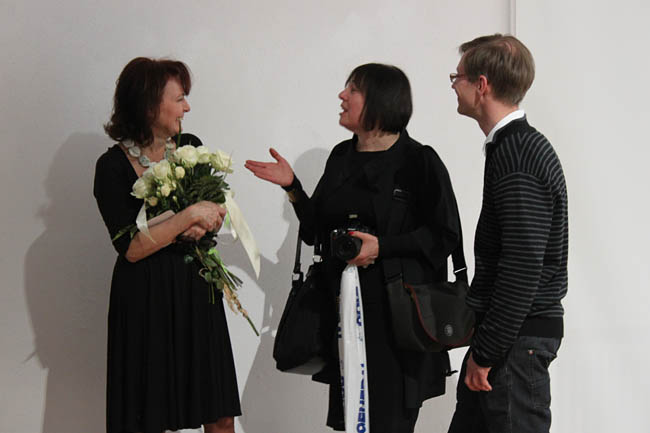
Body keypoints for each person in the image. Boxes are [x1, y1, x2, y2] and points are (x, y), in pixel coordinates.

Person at [245, 63, 461, 433]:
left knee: (389, 423)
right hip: (345, 314)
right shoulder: (341, 157)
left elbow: (444, 236)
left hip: (396, 323)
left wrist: (382, 247)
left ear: (381, 99)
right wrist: (293, 187)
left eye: (353, 89)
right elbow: (314, 232)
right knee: (351, 423)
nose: (342, 96)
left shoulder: (418, 161)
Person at [94, 57, 241, 433]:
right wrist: (187, 217)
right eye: (179, 99)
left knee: (219, 411)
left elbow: (213, 212)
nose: (187, 108)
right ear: (148, 106)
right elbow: (131, 247)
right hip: (145, 298)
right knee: (148, 413)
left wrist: (208, 219)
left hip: (196, 289)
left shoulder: (191, 147)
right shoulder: (111, 167)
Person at [447, 35, 568, 433]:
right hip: (509, 339)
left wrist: (486, 353)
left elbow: (522, 266)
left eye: (458, 77)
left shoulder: (517, 154)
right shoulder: (512, 147)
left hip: (514, 343)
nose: (453, 85)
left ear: (481, 85)